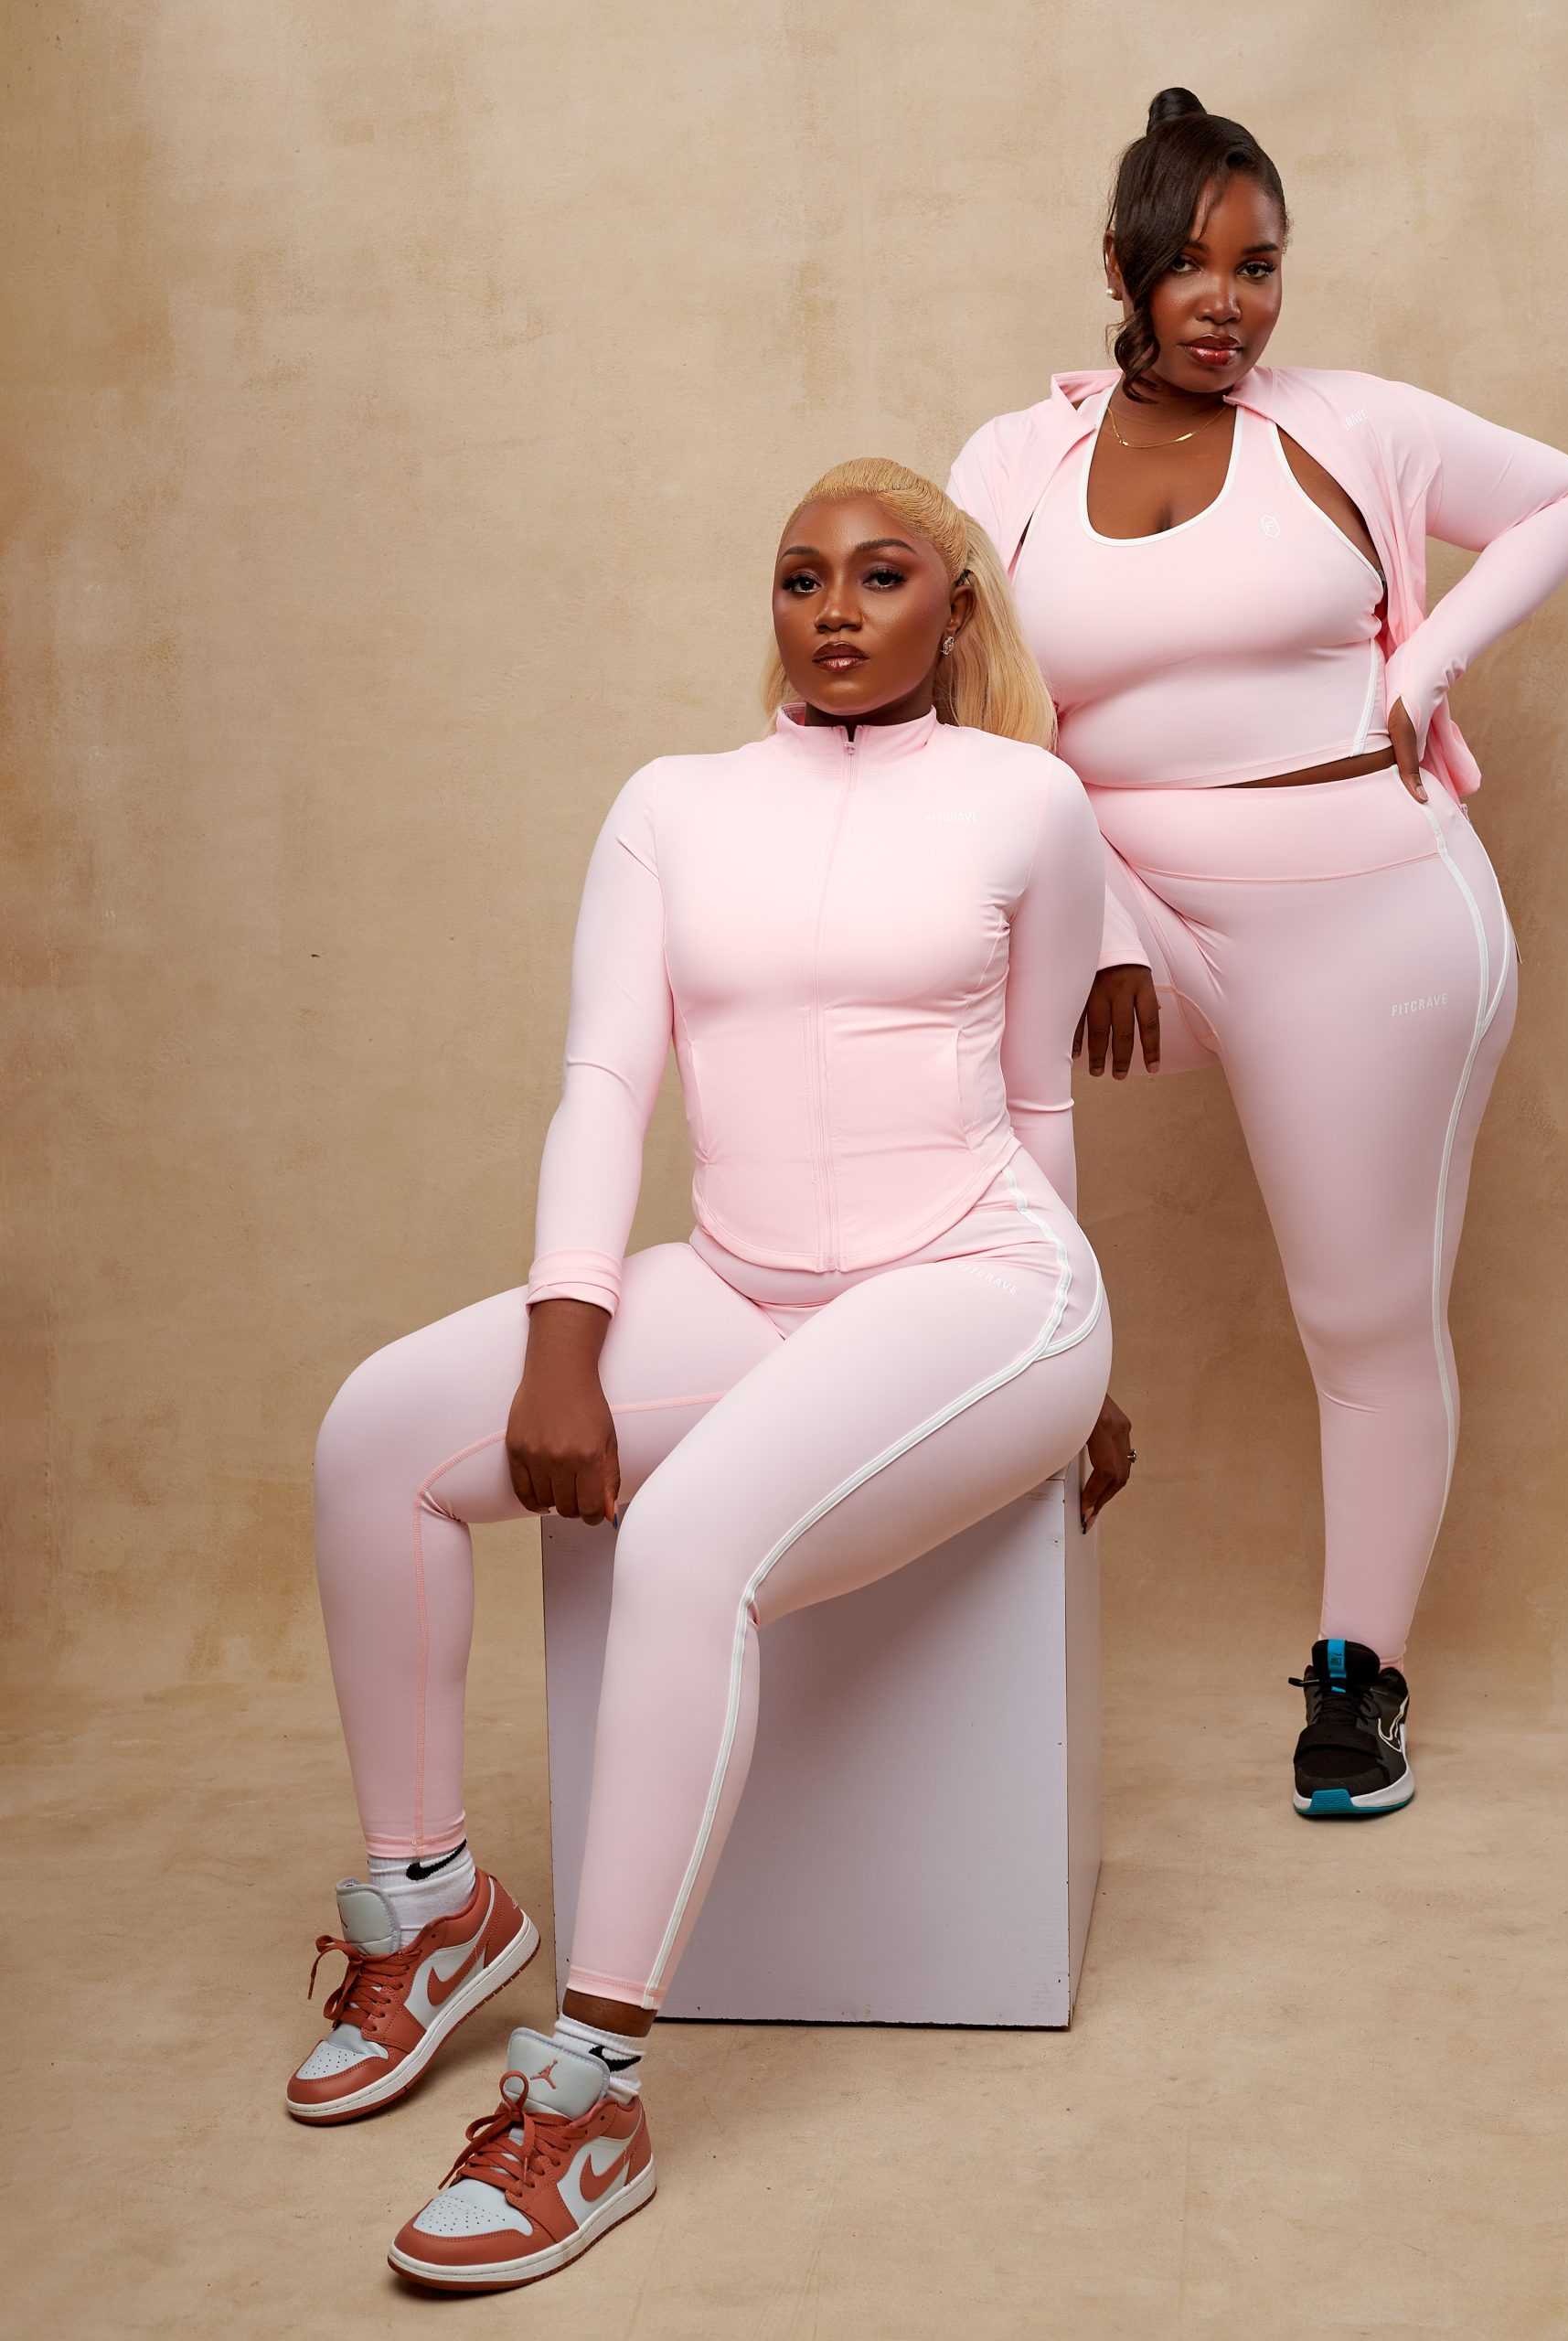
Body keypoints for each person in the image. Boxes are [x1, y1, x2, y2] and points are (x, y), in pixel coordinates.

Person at [290, 459, 1125, 2290]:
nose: (835, 609)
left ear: (952, 610)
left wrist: (1073, 1372)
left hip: (981, 1278)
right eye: (800, 576)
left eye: (881, 575)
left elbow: (1038, 1095)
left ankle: (587, 2094)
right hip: (745, 1281)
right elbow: (606, 1081)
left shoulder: (1031, 800)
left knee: (683, 1550)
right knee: (374, 1439)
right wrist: (566, 1335)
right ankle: (432, 1906)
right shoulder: (673, 805)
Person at [947, 88, 1568, 1819]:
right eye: (1192, 267)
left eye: (1260, 267)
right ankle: (946, 1502)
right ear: (1120, 270)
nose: (1228, 304)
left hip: (1366, 912)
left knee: (1360, 1312)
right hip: (1137, 919)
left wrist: (1424, 666)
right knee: (927, 980)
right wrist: (1093, 916)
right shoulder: (1011, 466)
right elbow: (981, 710)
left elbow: (1566, 500)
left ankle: (1357, 1677)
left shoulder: (1349, 425)